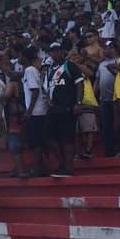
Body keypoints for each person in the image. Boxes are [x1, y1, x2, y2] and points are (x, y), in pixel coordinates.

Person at [45, 42, 84, 177]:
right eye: (52, 51)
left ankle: (68, 168)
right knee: (49, 138)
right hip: (53, 109)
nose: (55, 53)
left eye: (57, 51)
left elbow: (80, 84)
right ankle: (61, 164)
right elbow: (49, 87)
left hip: (67, 107)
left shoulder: (70, 66)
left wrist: (78, 103)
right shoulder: (50, 70)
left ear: (62, 51)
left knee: (67, 139)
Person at [20, 46, 48, 176]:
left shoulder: (30, 70)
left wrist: (29, 111)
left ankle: (37, 168)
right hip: (39, 110)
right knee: (39, 140)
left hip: (36, 111)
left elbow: (35, 90)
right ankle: (41, 166)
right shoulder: (33, 70)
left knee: (36, 141)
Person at [96, 42, 117, 157]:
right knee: (106, 126)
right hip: (104, 99)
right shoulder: (101, 64)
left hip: (116, 98)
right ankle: (108, 151)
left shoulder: (118, 61)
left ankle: (119, 149)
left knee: (117, 124)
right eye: (106, 47)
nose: (107, 49)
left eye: (110, 47)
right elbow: (97, 81)